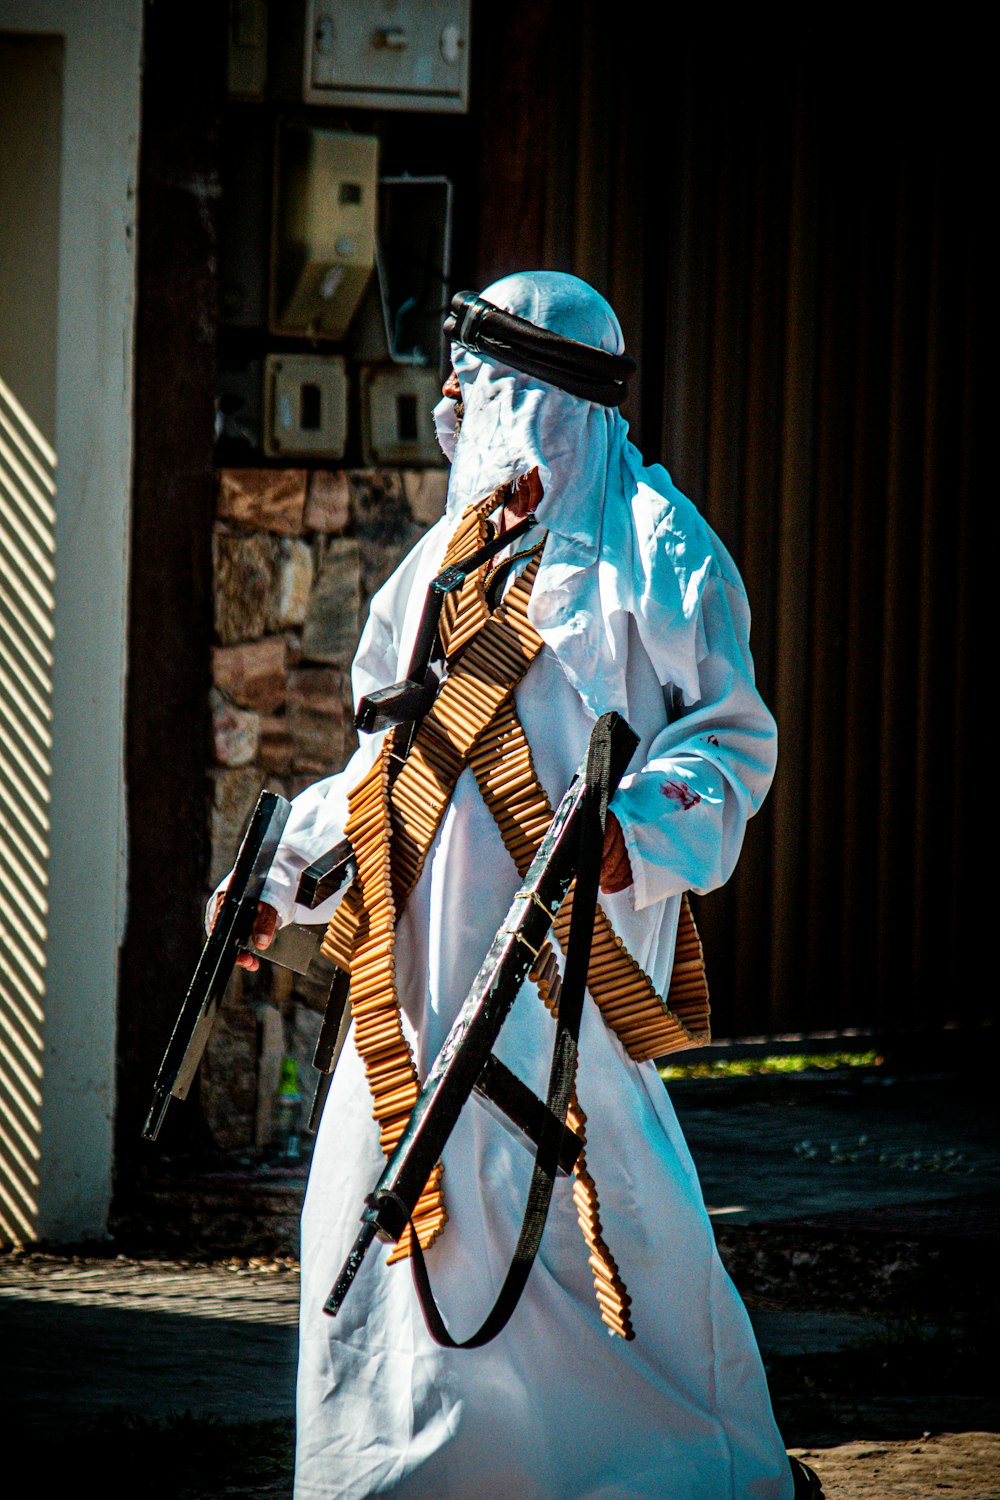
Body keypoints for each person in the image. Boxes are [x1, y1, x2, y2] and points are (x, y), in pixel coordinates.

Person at [215, 272, 820, 1498]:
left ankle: (679, 1478)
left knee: (614, 1251)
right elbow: (383, 767)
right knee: (386, 1245)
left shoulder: (658, 552)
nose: (451, 406)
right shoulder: (438, 563)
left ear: (543, 399)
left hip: (564, 996)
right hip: (418, 990)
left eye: (476, 386)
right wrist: (276, 878)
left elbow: (726, 742)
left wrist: (637, 829)